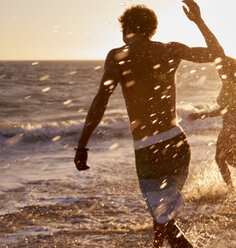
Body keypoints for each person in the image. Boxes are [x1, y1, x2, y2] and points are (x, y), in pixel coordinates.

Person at [73, 1, 225, 247]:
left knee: (167, 224)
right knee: (163, 218)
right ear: (152, 29)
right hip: (177, 142)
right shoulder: (169, 50)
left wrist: (82, 145)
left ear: (128, 28)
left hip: (149, 149)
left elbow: (101, 100)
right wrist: (198, 21)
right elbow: (218, 54)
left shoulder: (118, 56)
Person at [186, 56, 236, 194]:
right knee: (230, 159)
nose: (218, 72)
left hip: (232, 125)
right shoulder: (233, 83)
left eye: (220, 69)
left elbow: (223, 110)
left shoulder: (229, 85)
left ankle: (232, 189)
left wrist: (200, 115)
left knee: (220, 159)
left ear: (227, 69)